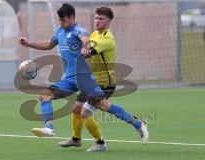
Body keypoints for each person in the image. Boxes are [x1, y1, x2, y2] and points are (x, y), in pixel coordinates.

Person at [19, 3, 149, 148]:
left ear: (72, 17)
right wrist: (28, 44)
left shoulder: (84, 32)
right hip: (70, 79)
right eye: (96, 18)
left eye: (63, 19)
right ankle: (51, 129)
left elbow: (86, 40)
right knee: (47, 96)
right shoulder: (61, 31)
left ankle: (136, 124)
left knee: (100, 107)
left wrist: (87, 48)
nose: (60, 22)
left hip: (90, 79)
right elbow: (49, 44)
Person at [58, 6, 117, 152]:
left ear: (109, 21)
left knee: (86, 112)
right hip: (92, 81)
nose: (97, 21)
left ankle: (101, 143)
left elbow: (87, 52)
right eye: (96, 18)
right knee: (76, 108)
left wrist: (74, 51)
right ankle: (76, 139)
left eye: (101, 18)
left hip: (105, 83)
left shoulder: (107, 38)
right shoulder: (94, 34)